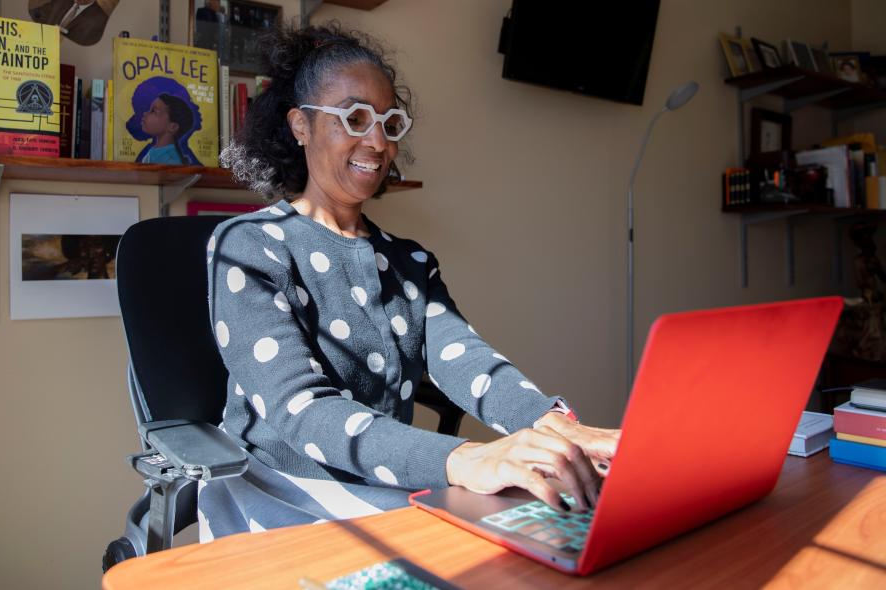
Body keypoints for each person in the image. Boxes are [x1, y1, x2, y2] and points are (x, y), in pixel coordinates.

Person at [201, 24, 620, 540]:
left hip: (383, 483)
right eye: (354, 118)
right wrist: (465, 458)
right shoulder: (247, 245)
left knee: (544, 532)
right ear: (301, 126)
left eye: (388, 122)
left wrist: (562, 429)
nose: (377, 142)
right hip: (279, 493)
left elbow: (470, 364)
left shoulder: (410, 262)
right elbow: (301, 411)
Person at [138, 94, 193, 165]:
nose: (145, 113)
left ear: (172, 127)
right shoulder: (156, 151)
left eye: (153, 111)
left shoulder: (172, 161)